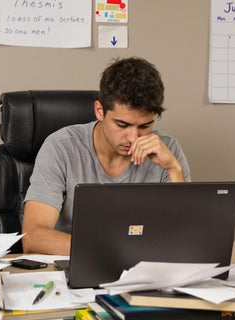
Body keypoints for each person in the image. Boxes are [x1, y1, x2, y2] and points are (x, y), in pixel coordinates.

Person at [22, 57, 191, 254]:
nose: (133, 137)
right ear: (99, 111)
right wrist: (114, 251)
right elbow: (33, 237)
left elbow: (186, 237)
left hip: (144, 271)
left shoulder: (166, 150)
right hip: (77, 265)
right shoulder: (61, 147)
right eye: (122, 125)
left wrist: (174, 169)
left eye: (145, 126)